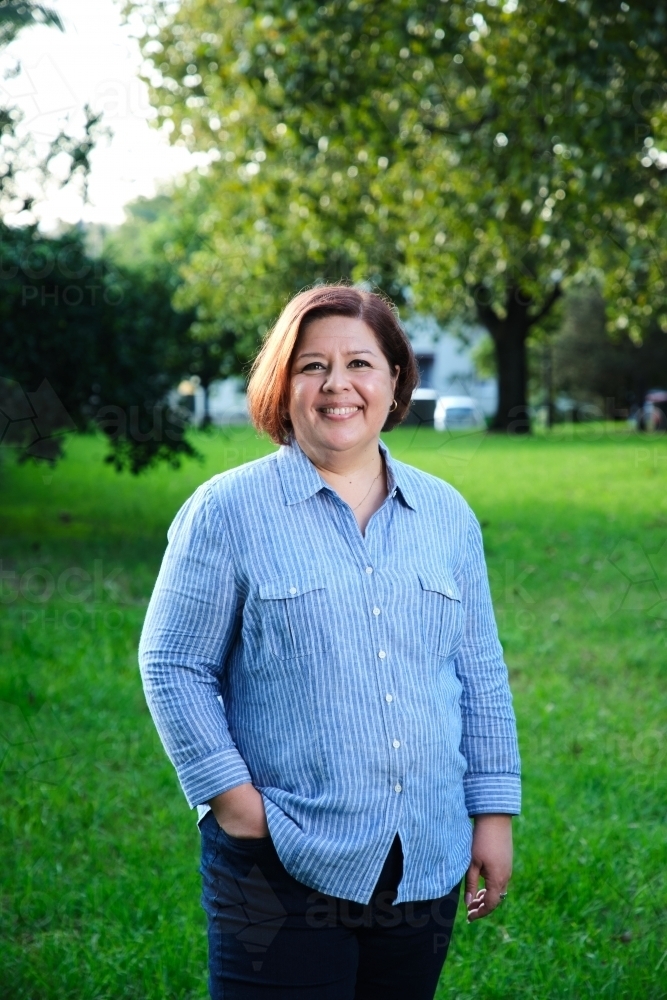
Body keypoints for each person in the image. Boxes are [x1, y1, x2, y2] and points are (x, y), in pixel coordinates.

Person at [139, 284, 521, 1000]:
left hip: (424, 858)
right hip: (278, 859)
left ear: (395, 380)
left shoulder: (446, 515)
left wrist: (491, 818)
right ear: (282, 387)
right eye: (312, 366)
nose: (336, 385)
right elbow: (173, 665)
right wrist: (234, 803)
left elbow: (479, 673)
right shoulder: (227, 511)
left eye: (360, 363)